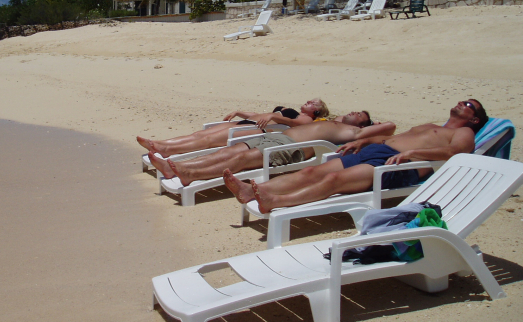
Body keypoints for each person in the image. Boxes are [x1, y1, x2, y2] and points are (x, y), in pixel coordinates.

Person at [224, 99, 488, 213]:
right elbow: (391, 138)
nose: (461, 103)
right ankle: (253, 190)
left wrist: (414, 153)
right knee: (311, 172)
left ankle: (276, 201)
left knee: (333, 182)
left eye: (468, 105)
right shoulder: (430, 126)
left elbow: (456, 152)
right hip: (378, 151)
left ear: (474, 118)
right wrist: (364, 141)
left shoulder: (464, 132)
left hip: (400, 164)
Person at [150, 111, 395, 186]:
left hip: (292, 147)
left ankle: (191, 174)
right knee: (227, 152)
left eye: (359, 115)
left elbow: (391, 126)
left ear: (363, 125)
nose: (353, 112)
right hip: (279, 137)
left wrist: (372, 127)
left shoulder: (353, 132)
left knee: (241, 160)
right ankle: (179, 167)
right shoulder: (333, 123)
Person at [138, 99, 329, 157]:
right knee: (200, 134)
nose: (308, 101)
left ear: (316, 111)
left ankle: (167, 150)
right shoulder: (293, 112)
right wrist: (239, 112)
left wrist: (273, 116)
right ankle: (162, 144)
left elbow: (293, 125)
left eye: (313, 103)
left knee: (207, 140)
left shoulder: (307, 120)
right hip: (250, 122)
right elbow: (259, 114)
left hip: (256, 129)